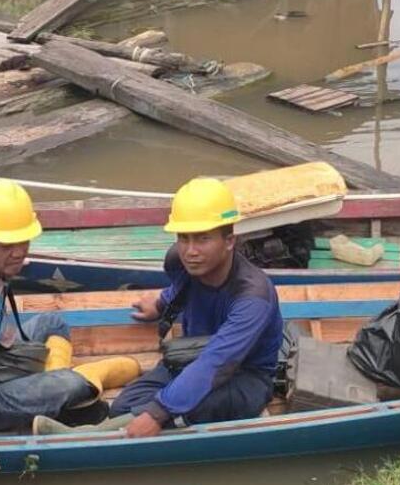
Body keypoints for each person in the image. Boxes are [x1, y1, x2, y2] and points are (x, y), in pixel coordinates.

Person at [35, 177, 284, 438]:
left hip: (243, 375)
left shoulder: (252, 296)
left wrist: (157, 413)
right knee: (124, 405)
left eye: (202, 239)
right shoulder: (181, 261)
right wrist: (160, 303)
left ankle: (81, 436)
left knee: (180, 413)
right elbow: (181, 286)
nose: (191, 251)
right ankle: (114, 424)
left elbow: (218, 362)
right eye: (183, 238)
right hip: (191, 356)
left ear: (229, 241)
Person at [0, 179, 139, 484]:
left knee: (53, 323)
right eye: (6, 245)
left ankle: (46, 391)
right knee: (70, 384)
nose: (18, 253)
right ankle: (60, 391)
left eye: (23, 241)